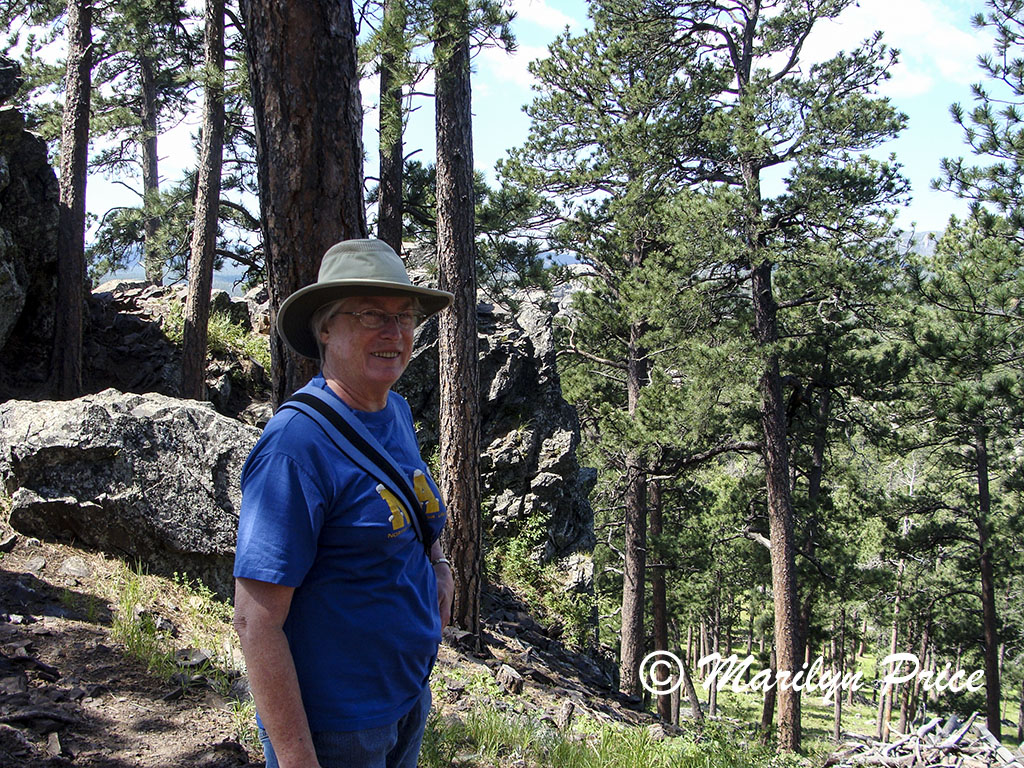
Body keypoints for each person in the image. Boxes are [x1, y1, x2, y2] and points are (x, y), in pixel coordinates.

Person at [232, 238, 455, 768]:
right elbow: (254, 621)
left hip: (404, 700)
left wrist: (439, 563)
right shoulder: (295, 448)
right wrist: (295, 757)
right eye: (372, 315)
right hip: (337, 729)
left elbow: (411, 505)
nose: (394, 333)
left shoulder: (393, 411)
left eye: (405, 317)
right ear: (325, 328)